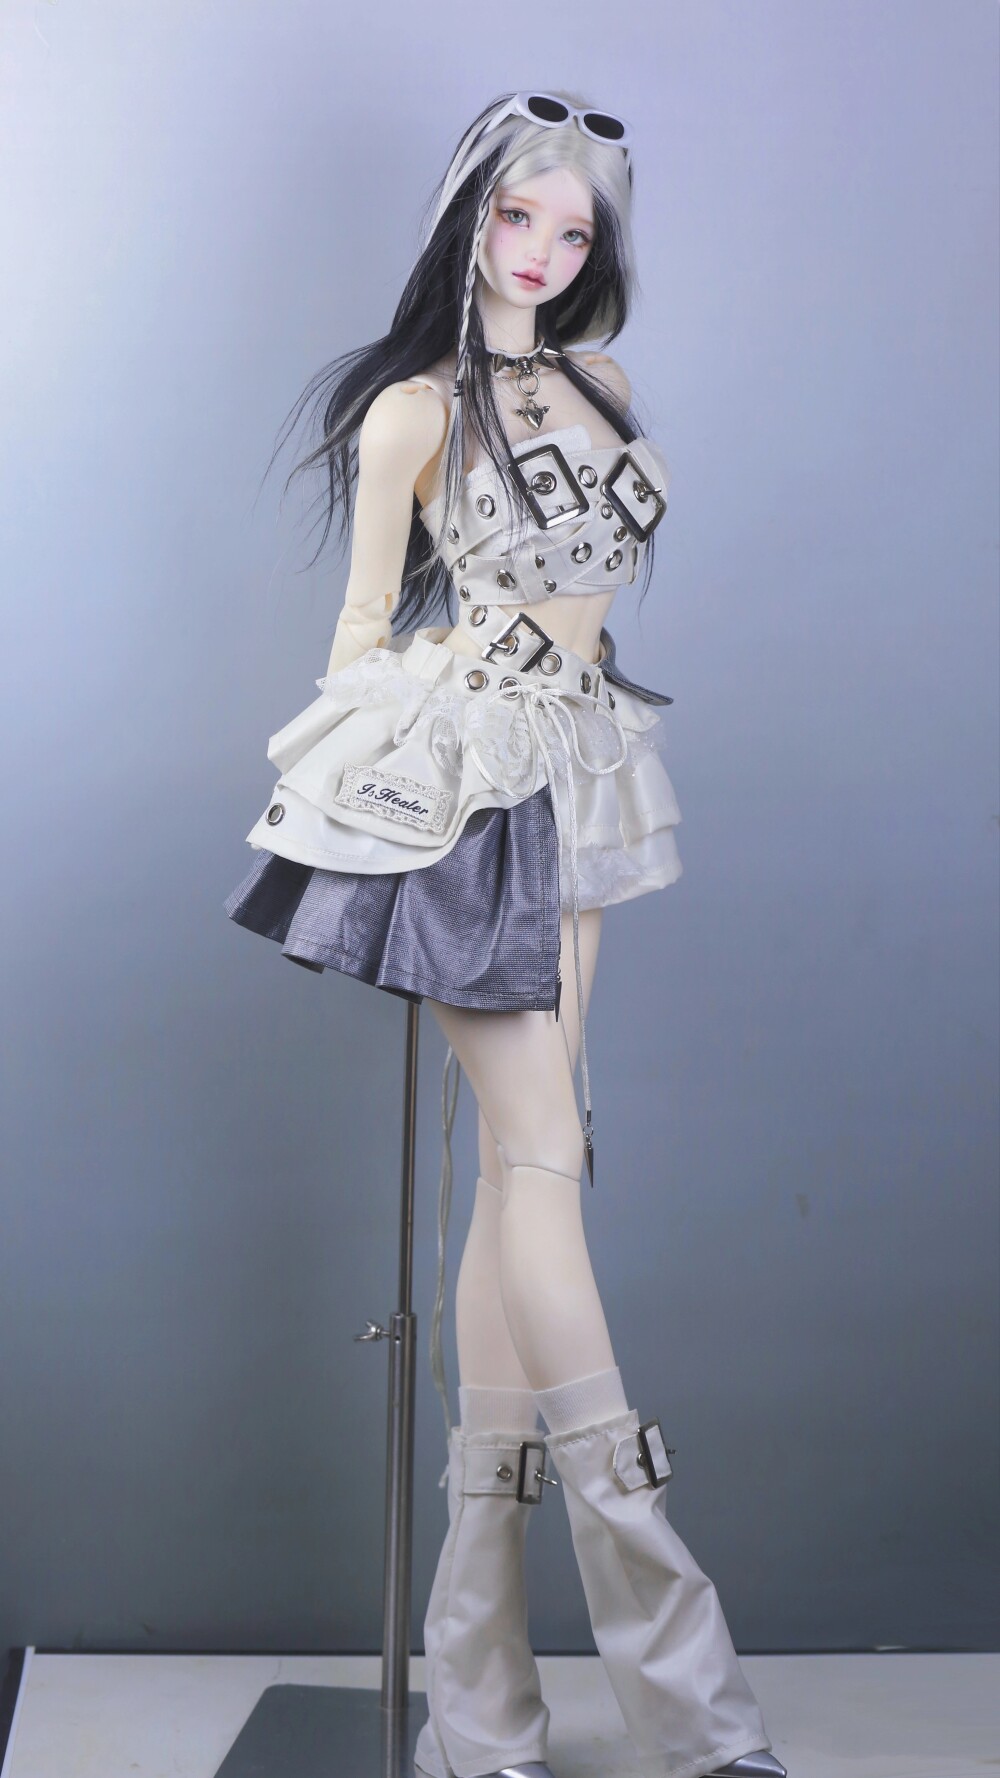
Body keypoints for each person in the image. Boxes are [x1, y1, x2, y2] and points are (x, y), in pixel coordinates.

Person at [224, 90, 786, 1778]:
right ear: (467, 217)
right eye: (516, 217)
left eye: (572, 229)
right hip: (469, 794)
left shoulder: (600, 386)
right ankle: (688, 1693)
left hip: (587, 770)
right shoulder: (411, 410)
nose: (541, 251)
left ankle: (479, 1709)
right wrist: (371, 772)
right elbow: (360, 624)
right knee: (545, 1167)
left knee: (518, 1176)